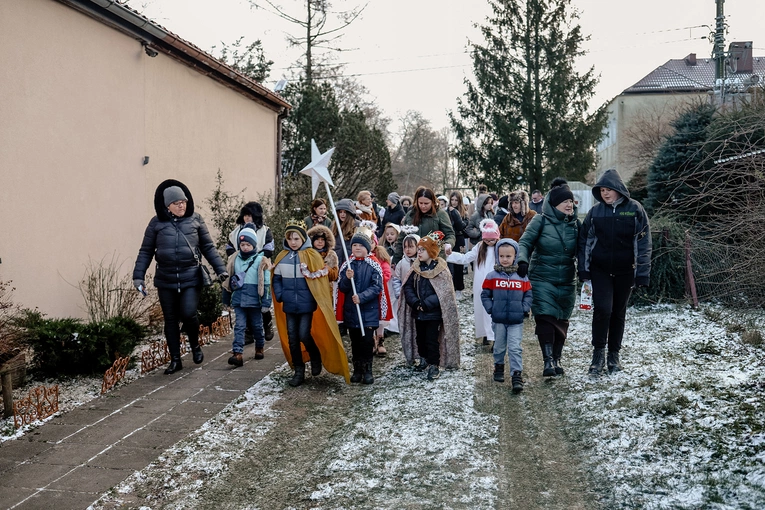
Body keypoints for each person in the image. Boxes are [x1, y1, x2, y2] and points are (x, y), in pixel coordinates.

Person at [133, 179, 228, 375]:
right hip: (165, 279)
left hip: (190, 277)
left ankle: (195, 346)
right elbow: (145, 251)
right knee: (170, 320)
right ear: (168, 206)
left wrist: (221, 270)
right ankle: (175, 359)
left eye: (183, 202)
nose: (182, 205)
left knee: (188, 313)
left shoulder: (195, 220)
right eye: (177, 203)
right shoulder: (156, 224)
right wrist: (138, 277)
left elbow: (208, 248)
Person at [578, 168, 651, 375]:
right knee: (603, 310)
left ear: (618, 188)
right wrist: (584, 270)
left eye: (608, 189)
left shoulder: (634, 209)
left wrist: (643, 273)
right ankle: (598, 355)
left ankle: (613, 356)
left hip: (625, 271)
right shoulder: (595, 212)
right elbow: (585, 241)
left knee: (618, 313)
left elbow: (644, 242)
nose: (605, 193)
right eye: (601, 190)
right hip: (600, 270)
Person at [272, 220, 350, 386]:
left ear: (303, 239)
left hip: (307, 304)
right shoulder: (282, 257)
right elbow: (276, 278)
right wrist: (280, 295)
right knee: (292, 337)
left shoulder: (312, 256)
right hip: (289, 304)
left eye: (296, 239)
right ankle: (299, 370)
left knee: (303, 334)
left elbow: (320, 279)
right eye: (290, 239)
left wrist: (317, 297)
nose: (293, 242)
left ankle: (315, 355)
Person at [517, 179, 580, 377]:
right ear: (554, 204)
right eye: (565, 201)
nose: (569, 204)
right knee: (545, 317)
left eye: (571, 201)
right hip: (542, 277)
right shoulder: (540, 220)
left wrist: (588, 268)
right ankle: (547, 361)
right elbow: (525, 242)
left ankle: (557, 358)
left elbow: (586, 249)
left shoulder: (576, 224)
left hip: (567, 280)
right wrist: (522, 261)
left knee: (562, 319)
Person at [400, 231, 460, 380]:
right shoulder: (415, 269)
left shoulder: (441, 270)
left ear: (431, 252)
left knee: (432, 339)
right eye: (418, 249)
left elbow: (444, 291)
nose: (419, 253)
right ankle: (423, 358)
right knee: (420, 338)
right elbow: (408, 287)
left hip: (433, 313)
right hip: (418, 311)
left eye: (422, 250)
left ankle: (434, 365)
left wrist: (426, 304)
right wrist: (415, 302)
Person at [481, 239, 532, 393]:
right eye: (502, 256)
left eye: (508, 256)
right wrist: (491, 309)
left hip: (516, 320)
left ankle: (516, 374)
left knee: (515, 348)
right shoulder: (492, 276)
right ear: (497, 256)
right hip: (499, 320)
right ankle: (499, 367)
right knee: (499, 346)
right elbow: (485, 295)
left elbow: (528, 294)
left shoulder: (522, 277)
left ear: (515, 256)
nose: (505, 259)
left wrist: (524, 309)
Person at [336, 226, 385, 384]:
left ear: (368, 248)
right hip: (352, 312)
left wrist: (362, 297)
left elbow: (377, 287)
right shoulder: (347, 265)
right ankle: (357, 370)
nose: (357, 248)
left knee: (367, 342)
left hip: (368, 311)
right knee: (355, 342)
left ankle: (367, 369)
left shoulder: (373, 265)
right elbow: (342, 288)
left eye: (361, 246)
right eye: (355, 246)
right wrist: (347, 279)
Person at [222, 224, 272, 366]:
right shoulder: (234, 259)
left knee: (257, 325)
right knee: (240, 326)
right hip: (239, 299)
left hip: (255, 300)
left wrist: (266, 302)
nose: (245, 247)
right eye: (242, 244)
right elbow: (228, 279)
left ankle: (259, 347)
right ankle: (237, 353)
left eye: (248, 244)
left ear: (254, 244)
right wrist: (226, 299)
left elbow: (266, 283)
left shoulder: (260, 260)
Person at [445, 219, 500, 345]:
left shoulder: (500, 247)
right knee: (482, 309)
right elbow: (465, 258)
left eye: (492, 240)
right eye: (487, 240)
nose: (489, 243)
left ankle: (495, 336)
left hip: (496, 283)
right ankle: (486, 334)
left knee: (494, 309)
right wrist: (450, 255)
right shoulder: (480, 247)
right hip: (481, 283)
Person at [226, 201, 275, 341]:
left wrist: (256, 257)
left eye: (250, 215)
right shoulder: (236, 232)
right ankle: (249, 332)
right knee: (243, 299)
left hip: (259, 267)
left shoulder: (265, 231)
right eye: (245, 215)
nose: (247, 218)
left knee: (260, 299)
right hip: (241, 268)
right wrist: (237, 258)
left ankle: (267, 323)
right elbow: (229, 247)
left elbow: (269, 249)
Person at [392, 186, 456, 265]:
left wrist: (447, 244)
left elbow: (450, 234)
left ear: (432, 202)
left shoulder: (440, 214)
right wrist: (396, 259)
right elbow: (401, 238)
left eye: (426, 203)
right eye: (420, 203)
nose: (423, 206)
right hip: (413, 260)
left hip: (434, 259)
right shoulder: (410, 215)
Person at [445, 192, 468, 299]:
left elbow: (461, 227)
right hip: (449, 240)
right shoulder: (446, 212)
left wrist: (455, 213)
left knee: (459, 265)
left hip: (459, 239)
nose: (454, 202)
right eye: (452, 200)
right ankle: (450, 289)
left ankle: (459, 289)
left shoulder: (463, 213)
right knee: (449, 265)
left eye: (456, 200)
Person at [331, 198, 360, 267]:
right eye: (340, 212)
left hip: (352, 261)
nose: (342, 214)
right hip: (337, 260)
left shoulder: (357, 226)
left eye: (345, 212)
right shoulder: (334, 225)